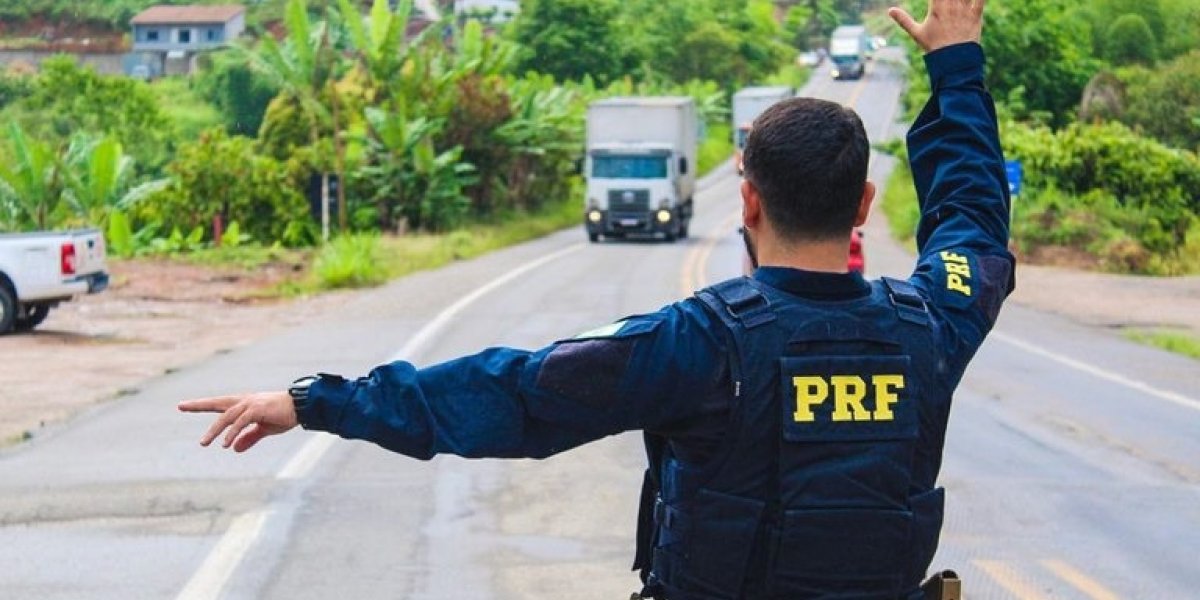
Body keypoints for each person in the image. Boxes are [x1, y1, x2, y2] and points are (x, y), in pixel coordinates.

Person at [180, 1, 1013, 598]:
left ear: (748, 201)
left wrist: (315, 402)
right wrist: (956, 65)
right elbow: (973, 223)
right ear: (864, 204)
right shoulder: (931, 326)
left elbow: (511, 395)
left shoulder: (702, 342)